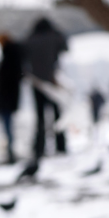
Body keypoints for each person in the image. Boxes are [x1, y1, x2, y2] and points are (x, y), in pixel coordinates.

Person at [25, 17, 68, 159]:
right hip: (52, 81)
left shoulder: (31, 38)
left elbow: (23, 54)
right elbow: (65, 45)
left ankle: (39, 149)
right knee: (57, 115)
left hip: (37, 82)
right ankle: (61, 147)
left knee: (40, 118)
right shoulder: (54, 36)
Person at [0, 32, 24, 164]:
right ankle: (10, 150)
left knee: (7, 124)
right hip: (11, 96)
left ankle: (10, 151)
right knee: (9, 124)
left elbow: (5, 76)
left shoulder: (8, 55)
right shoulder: (14, 54)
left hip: (6, 97)